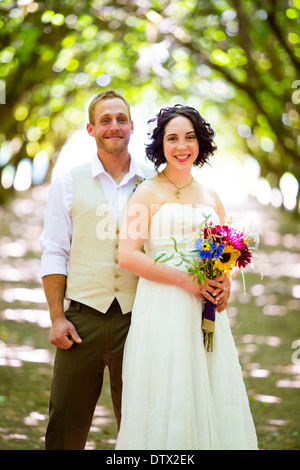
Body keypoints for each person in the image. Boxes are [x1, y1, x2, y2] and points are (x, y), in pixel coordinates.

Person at [40, 92, 230, 450]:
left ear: (131, 126)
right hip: (83, 317)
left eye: (121, 119)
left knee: (145, 419)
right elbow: (54, 251)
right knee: (66, 420)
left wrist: (223, 283)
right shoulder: (68, 183)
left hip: (140, 316)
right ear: (91, 128)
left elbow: (209, 247)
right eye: (105, 120)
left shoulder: (154, 181)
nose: (114, 126)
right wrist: (56, 318)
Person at [116, 104, 258, 450]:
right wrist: (184, 281)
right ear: (161, 146)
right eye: (173, 138)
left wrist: (223, 284)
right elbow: (127, 255)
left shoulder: (211, 196)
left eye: (190, 137)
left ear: (201, 143)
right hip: (162, 307)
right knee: (168, 388)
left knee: (209, 388)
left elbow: (227, 254)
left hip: (205, 312)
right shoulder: (146, 192)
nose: (182, 146)